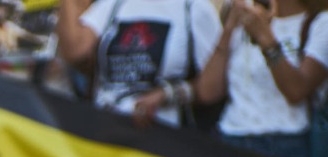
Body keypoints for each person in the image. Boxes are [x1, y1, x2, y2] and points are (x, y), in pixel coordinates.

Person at [135, 0, 328, 157]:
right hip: (230, 140)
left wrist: (265, 38)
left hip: (287, 145)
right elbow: (208, 91)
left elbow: (296, 90)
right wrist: (229, 29)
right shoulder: (247, 18)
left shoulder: (325, 22)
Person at [56, 0, 221, 127]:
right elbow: (76, 52)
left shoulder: (193, 8)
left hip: (163, 140)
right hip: (106, 131)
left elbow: (214, 85)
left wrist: (168, 94)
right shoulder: (116, 3)